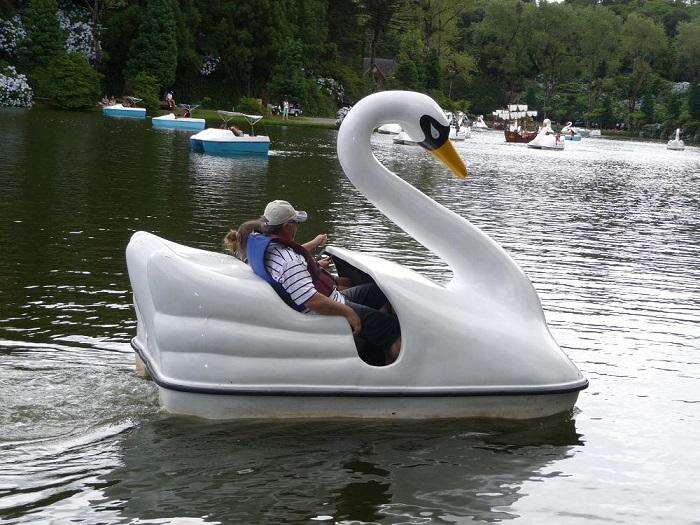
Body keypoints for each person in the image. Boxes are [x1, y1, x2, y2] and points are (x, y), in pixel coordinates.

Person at [246, 200, 401, 365]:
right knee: (390, 328)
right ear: (287, 227)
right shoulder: (288, 262)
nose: (298, 227)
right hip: (325, 307)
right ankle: (396, 364)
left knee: (379, 291)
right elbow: (312, 301)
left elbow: (292, 267)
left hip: (330, 297)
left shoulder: (268, 247)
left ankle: (371, 342)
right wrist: (348, 313)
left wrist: (315, 254)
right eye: (296, 223)